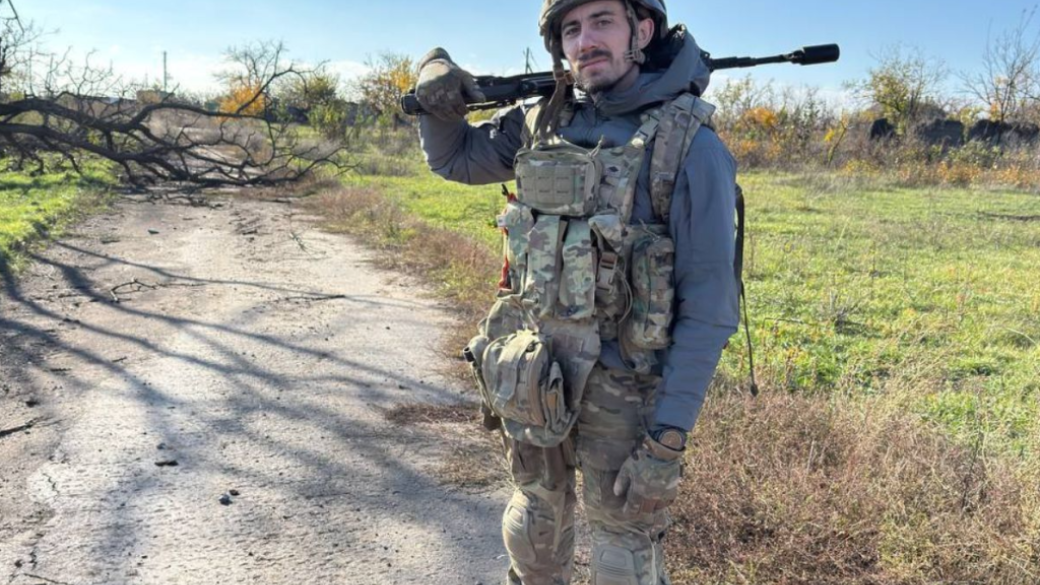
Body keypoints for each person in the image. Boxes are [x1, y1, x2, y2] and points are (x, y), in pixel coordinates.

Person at [414, 1, 739, 583]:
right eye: (571, 28)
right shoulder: (540, 123)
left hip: (629, 395)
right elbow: (454, 157)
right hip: (533, 376)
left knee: (622, 557)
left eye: (602, 21)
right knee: (532, 526)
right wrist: (433, 78)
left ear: (643, 30)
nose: (585, 40)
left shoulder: (688, 145)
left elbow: (710, 310)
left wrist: (666, 441)